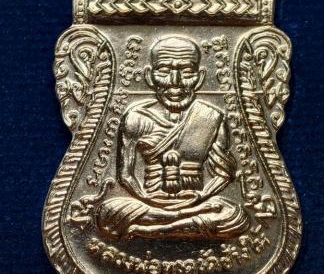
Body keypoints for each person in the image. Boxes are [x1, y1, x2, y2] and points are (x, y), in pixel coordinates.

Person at [96, 35, 249, 240]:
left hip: (196, 201)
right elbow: (125, 175)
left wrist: (199, 197)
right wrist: (147, 199)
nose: (175, 82)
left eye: (186, 72)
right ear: (149, 76)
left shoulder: (211, 117)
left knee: (235, 216)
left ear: (200, 77)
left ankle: (152, 230)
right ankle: (179, 222)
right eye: (164, 71)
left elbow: (224, 174)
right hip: (150, 203)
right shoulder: (135, 117)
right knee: (107, 214)